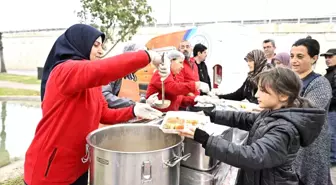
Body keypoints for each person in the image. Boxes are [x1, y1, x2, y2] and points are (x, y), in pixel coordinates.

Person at [24, 24, 168, 185]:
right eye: (95, 45)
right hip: (50, 170)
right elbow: (102, 70)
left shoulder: (92, 84)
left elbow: (104, 114)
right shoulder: (64, 71)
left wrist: (134, 110)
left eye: (102, 46)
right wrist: (148, 56)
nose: (101, 51)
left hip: (79, 165)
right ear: (80, 43)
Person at [180, 67, 326, 185]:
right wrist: (210, 114)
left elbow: (253, 156)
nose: (256, 95)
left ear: (283, 96)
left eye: (262, 90)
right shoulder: (274, 113)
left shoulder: (285, 129)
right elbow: (244, 119)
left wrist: (205, 139)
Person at [290, 38, 332, 185]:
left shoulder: (320, 83)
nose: (294, 60)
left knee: (310, 177)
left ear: (314, 58)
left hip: (312, 143)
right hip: (293, 140)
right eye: (292, 56)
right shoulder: (291, 80)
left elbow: (310, 110)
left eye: (300, 56)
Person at [102, 42, 146, 109]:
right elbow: (105, 95)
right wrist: (131, 103)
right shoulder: (115, 71)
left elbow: (134, 97)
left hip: (131, 114)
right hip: (116, 115)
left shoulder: (133, 76)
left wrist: (144, 100)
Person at [321, 48, 336, 166]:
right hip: (329, 109)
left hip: (333, 109)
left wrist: (328, 102)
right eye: (326, 57)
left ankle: (333, 158)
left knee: (331, 134)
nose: (327, 59)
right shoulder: (329, 73)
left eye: (330, 57)